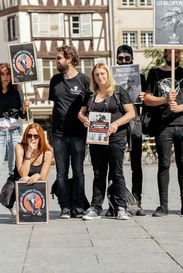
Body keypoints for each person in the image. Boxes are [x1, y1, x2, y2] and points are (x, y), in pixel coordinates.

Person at [78, 63, 135, 221]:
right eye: (97, 74)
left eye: (102, 74)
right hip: (96, 139)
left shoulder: (118, 91)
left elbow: (131, 113)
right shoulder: (90, 95)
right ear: (94, 77)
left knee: (117, 173)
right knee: (98, 173)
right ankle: (96, 207)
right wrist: (84, 120)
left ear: (107, 74)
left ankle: (121, 207)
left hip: (116, 137)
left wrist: (116, 124)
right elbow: (81, 113)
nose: (100, 77)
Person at [144, 50, 183, 217]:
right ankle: (163, 206)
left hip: (182, 125)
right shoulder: (154, 73)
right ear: (165, 54)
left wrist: (179, 107)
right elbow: (147, 98)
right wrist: (165, 100)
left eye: (178, 53)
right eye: (172, 53)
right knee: (164, 165)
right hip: (163, 126)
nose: (176, 56)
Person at [0, 63, 30, 219]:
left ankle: (13, 206)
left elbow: (23, 115)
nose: (5, 77)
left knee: (14, 170)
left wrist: (25, 107)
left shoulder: (17, 91)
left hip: (14, 132)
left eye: (8, 74)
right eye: (2, 74)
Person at [49, 45, 90, 219]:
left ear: (70, 59)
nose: (56, 61)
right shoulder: (54, 80)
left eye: (59, 58)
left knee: (79, 171)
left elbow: (89, 105)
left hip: (78, 134)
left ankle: (78, 206)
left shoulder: (84, 80)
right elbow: (55, 106)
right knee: (61, 172)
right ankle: (65, 206)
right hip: (58, 134)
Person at [114, 45, 146, 216]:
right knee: (115, 165)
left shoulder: (140, 77)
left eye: (127, 58)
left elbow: (147, 100)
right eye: (121, 58)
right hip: (117, 123)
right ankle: (117, 201)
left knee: (136, 165)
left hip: (135, 122)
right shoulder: (110, 77)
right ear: (116, 59)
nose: (124, 61)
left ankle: (136, 200)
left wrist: (144, 98)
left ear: (132, 59)